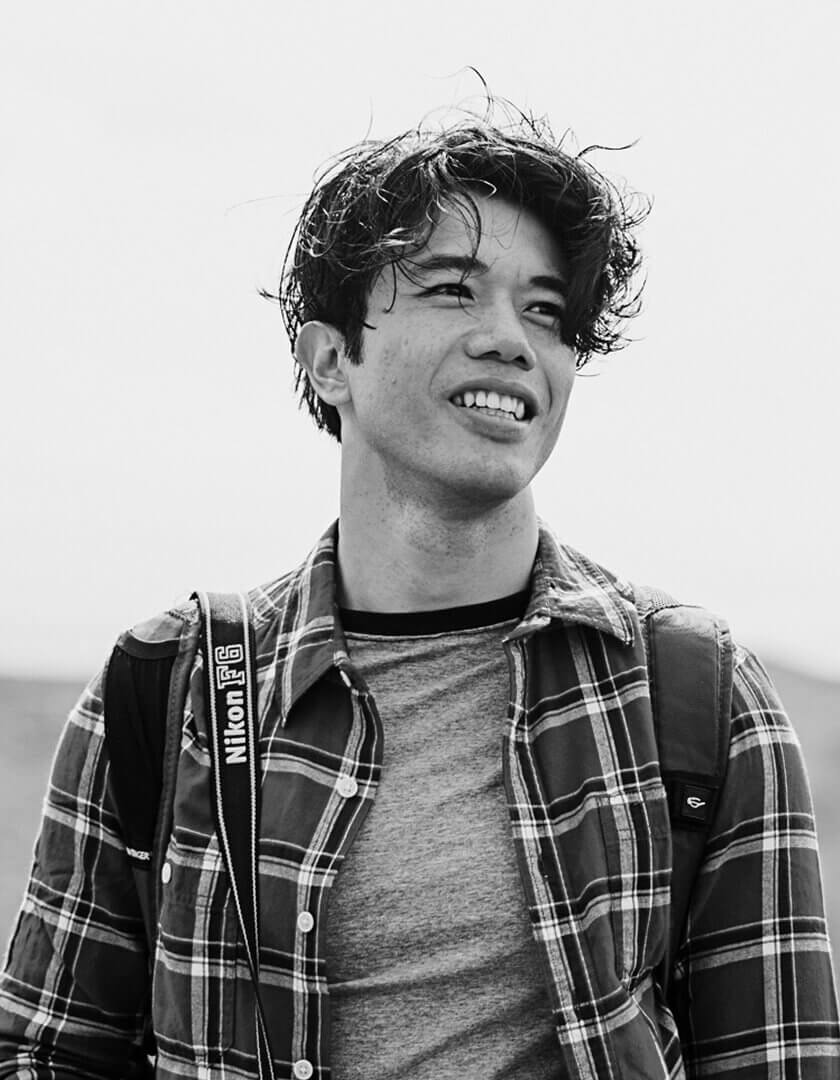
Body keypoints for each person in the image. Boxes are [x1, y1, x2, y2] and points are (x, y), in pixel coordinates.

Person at [1, 101, 838, 1080]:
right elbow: (47, 1053)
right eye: (453, 290)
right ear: (330, 359)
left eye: (546, 311)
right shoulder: (168, 688)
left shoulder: (692, 690)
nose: (511, 340)